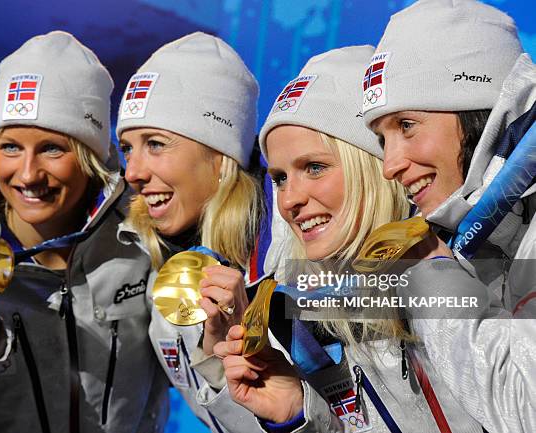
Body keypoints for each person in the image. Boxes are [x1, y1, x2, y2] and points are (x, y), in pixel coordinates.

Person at [215, 46, 487, 432]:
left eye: (314, 167)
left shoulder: (483, 275)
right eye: (280, 178)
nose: (289, 200)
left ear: (375, 168)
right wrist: (298, 413)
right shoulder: (301, 313)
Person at [0, 31, 168, 433]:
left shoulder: (144, 239)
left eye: (52, 148)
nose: (27, 174)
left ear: (90, 155)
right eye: (11, 147)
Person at [362, 0, 536, 431]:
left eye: (406, 125)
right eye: (383, 140)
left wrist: (432, 274)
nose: (390, 165)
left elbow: (527, 408)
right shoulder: (482, 239)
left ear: (480, 115)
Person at [115, 32, 267, 432]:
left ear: (221, 157)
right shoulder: (150, 266)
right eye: (127, 147)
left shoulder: (295, 257)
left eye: (156, 144)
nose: (133, 172)